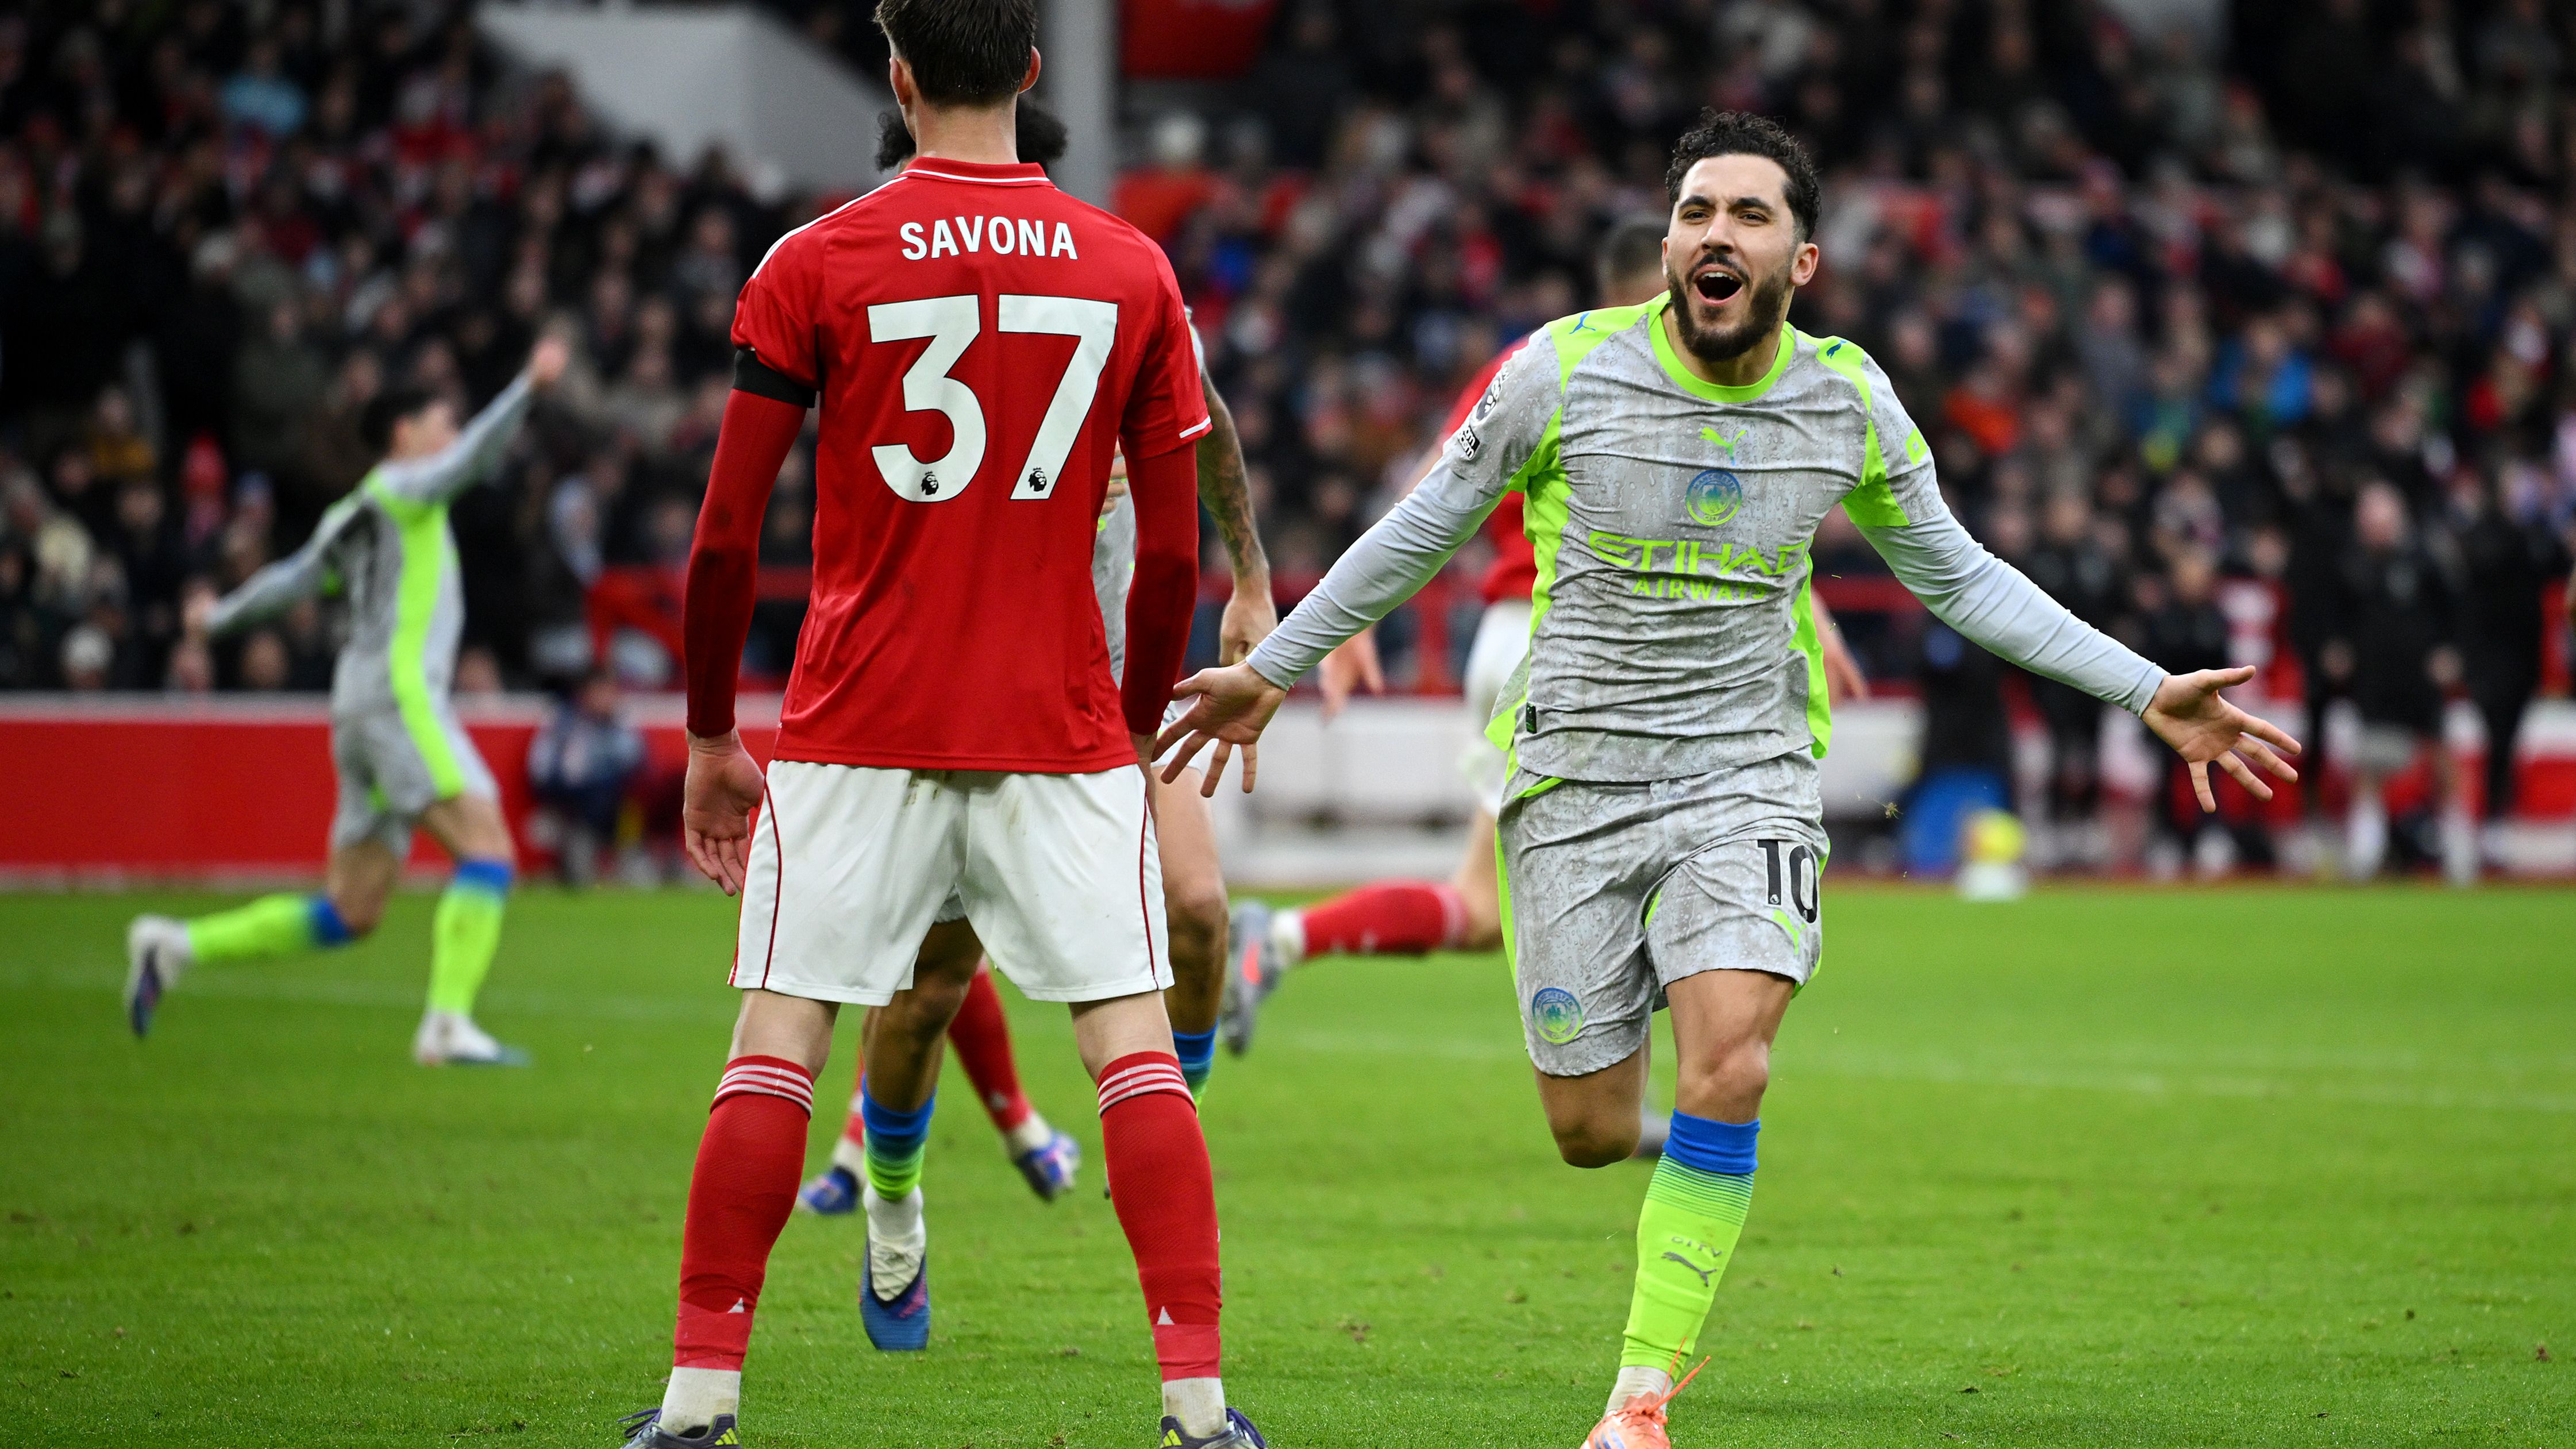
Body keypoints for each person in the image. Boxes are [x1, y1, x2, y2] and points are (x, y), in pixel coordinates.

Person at [1157, 111, 2297, 1449]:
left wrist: (2139, 684)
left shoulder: (1846, 400)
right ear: (1666, 246)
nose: (1713, 234)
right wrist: (1280, 663)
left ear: (1799, 261)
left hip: (1745, 775)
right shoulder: (1562, 372)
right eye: (1695, 213)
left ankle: (1637, 1404)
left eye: (1746, 216)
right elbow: (1423, 525)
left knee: (1731, 1061)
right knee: (1589, 1129)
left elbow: (1961, 573)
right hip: (1573, 781)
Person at [622, 4, 1263, 1446]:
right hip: (1058, 728)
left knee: (776, 1045)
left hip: (856, 727)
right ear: (1033, 72)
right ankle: (1199, 1405)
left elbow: (726, 537)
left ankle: (697, 1398)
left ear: (897, 72)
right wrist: (1129, 710)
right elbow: (1166, 556)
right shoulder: (1130, 271)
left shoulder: (812, 263)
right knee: (1133, 1056)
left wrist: (717, 734)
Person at [1222, 217, 1866, 1059]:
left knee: (1484, 909)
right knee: (1649, 869)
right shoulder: (1587, 361)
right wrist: (1351, 618)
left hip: (1526, 644)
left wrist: (1808, 613)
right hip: (1570, 649)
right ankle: (1632, 1084)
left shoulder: (1563, 358)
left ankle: (1281, 941)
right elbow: (1439, 486)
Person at [795, 94, 1277, 1218]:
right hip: (973, 698)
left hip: (1118, 689)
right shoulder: (883, 297)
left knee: (1198, 908)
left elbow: (1205, 418)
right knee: (930, 988)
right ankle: (891, 1189)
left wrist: (1252, 578)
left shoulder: (1113, 284)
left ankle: (1169, 1128)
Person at [122, 336, 570, 1066]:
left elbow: (290, 580)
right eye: (441, 422)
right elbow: (473, 462)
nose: (451, 437)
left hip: (355, 707)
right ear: (405, 433)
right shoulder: (405, 488)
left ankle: (174, 945)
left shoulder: (352, 512)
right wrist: (527, 388)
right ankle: (448, 1023)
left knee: (351, 910)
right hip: (398, 701)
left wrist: (217, 617)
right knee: (488, 850)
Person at [2329, 480, 2466, 882]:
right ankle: (2364, 854)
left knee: (2441, 761)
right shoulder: (2352, 564)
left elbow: (2456, 612)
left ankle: (2459, 849)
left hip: (2419, 676)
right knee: (2369, 766)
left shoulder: (2425, 559)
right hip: (2375, 678)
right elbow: (2339, 616)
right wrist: (2338, 648)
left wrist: (2449, 651)